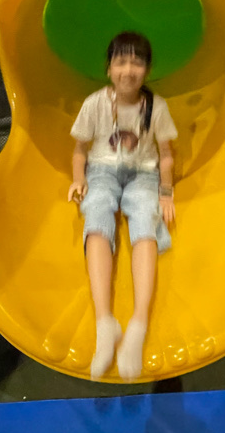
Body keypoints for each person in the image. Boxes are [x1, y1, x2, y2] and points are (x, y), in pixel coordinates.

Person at [68, 32, 177, 380]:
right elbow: (80, 150)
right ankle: (105, 322)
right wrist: (78, 179)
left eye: (136, 62)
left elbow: (166, 155)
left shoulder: (156, 107)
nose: (128, 70)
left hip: (143, 174)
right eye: (121, 62)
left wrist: (166, 192)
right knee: (97, 211)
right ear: (109, 68)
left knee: (145, 217)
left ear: (147, 70)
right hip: (102, 170)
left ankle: (138, 322)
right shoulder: (95, 104)